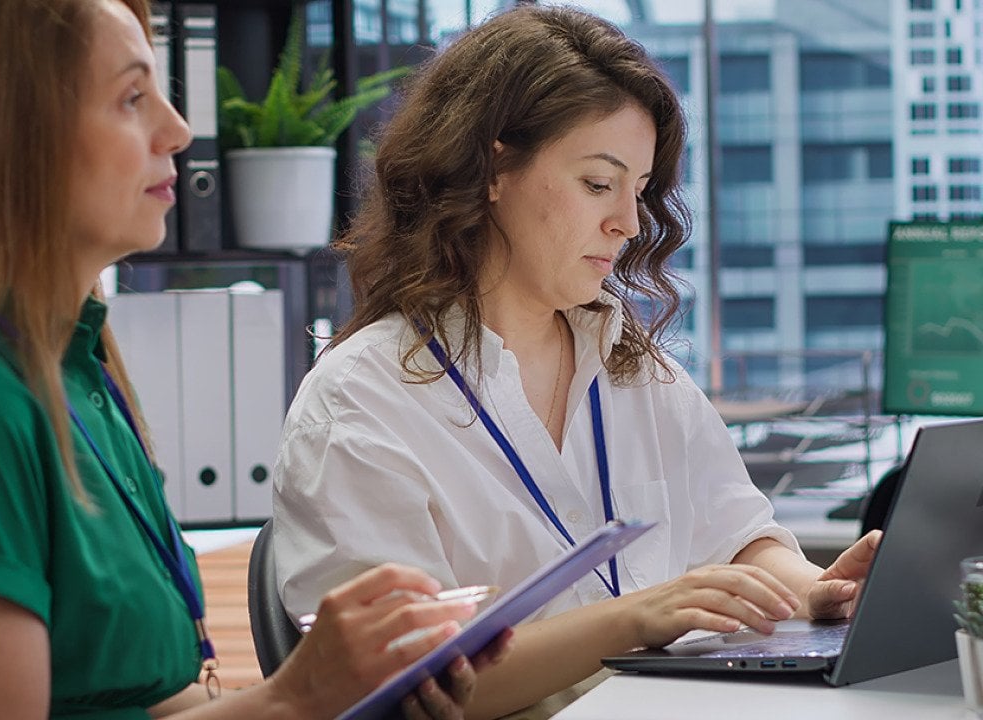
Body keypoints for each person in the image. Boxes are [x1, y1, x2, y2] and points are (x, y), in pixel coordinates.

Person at [0, 1, 511, 718]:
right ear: (8, 136)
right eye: (131, 99)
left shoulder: (72, 372)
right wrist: (297, 697)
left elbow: (148, 698)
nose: (178, 130)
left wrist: (349, 691)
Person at [271, 5, 881, 719]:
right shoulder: (360, 404)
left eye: (639, 189)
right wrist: (632, 620)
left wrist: (811, 591)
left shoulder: (634, 371)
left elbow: (737, 537)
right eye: (599, 183)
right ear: (494, 167)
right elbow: (403, 688)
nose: (629, 221)